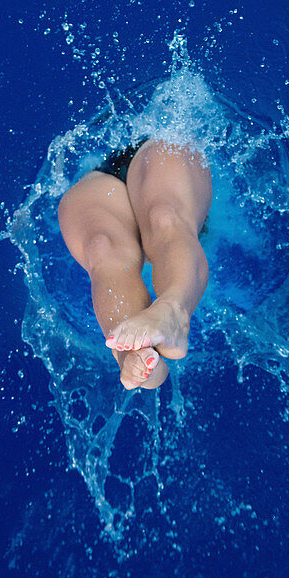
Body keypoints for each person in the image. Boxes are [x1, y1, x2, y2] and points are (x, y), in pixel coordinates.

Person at [57, 137, 212, 390]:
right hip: (103, 174)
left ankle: (174, 312)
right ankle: (135, 356)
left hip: (157, 152)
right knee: (101, 245)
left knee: (163, 216)